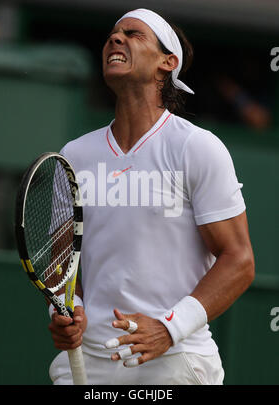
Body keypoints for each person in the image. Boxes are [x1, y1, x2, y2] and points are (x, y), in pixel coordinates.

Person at [48, 8, 255, 385]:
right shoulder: (74, 155)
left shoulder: (197, 147)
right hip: (86, 363)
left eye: (133, 34)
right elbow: (62, 266)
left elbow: (239, 261)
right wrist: (65, 312)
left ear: (167, 63)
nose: (115, 39)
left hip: (175, 361)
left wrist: (168, 328)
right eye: (112, 33)